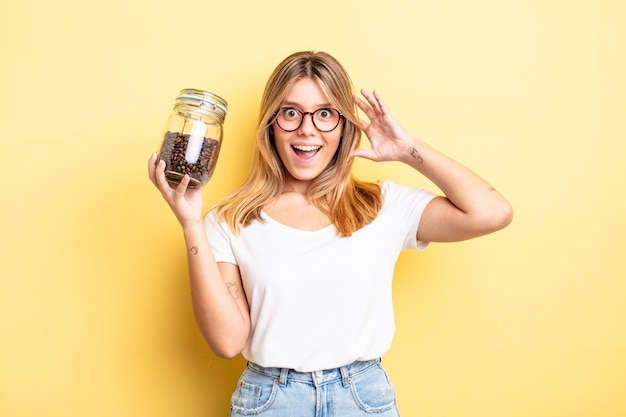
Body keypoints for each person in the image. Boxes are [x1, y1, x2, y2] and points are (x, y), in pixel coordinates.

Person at [148, 50, 513, 417]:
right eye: (291, 113)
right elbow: (227, 342)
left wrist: (407, 150)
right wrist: (191, 223)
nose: (307, 129)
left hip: (363, 398)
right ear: (271, 124)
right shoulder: (231, 219)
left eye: (324, 114)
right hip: (271, 401)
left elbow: (492, 212)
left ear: (343, 126)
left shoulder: (383, 205)